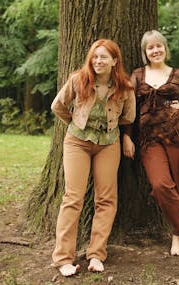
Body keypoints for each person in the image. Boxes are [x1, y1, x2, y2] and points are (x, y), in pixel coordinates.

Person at [51, 39, 135, 276]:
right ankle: (63, 258)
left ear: (114, 61)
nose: (98, 61)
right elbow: (58, 105)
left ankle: (96, 254)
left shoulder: (125, 87)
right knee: (73, 198)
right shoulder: (79, 79)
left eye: (104, 57)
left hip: (109, 144)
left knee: (106, 199)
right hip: (77, 143)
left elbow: (129, 116)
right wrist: (76, 125)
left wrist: (122, 135)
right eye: (95, 56)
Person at [122, 30, 179, 255]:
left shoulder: (177, 74)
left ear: (165, 48)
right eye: (150, 47)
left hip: (178, 135)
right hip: (149, 139)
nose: (155, 50)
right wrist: (126, 135)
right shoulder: (138, 75)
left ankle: (176, 237)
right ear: (145, 52)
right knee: (160, 185)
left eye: (159, 46)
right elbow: (130, 108)